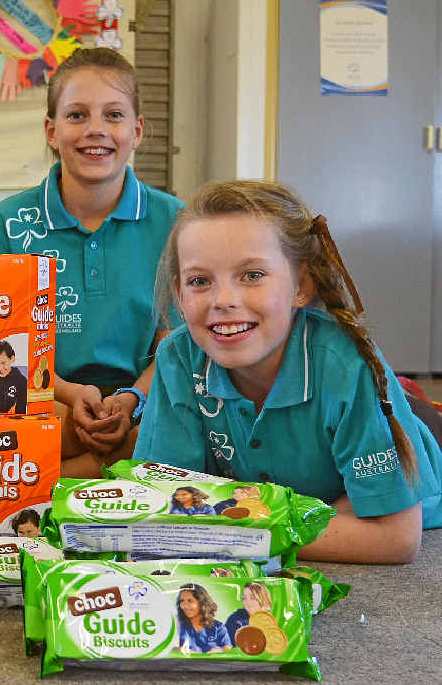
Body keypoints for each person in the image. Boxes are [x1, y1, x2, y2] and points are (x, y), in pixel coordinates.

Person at [134, 180, 442, 564]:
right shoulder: (178, 357)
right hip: (320, 492)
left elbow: (395, 538)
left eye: (252, 275)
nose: (224, 300)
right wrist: (307, 517)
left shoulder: (346, 366)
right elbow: (163, 506)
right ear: (179, 294)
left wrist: (236, 532)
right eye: (200, 281)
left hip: (419, 440)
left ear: (302, 285)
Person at [0, 47, 184, 476]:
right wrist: (71, 396)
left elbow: (176, 343)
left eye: (113, 115)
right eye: (77, 116)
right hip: (43, 400)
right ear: (51, 131)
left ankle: (78, 472)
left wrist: (131, 401)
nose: (96, 130)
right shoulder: (9, 222)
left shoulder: (175, 220)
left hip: (146, 401)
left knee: (173, 431)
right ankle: (100, 466)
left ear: (138, 130)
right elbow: (1, 353)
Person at [175, 583, 232, 654]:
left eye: (190, 601)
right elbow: (169, 647)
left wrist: (217, 651)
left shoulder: (218, 627)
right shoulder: (177, 624)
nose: (184, 606)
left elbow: (227, 650)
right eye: (182, 601)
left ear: (202, 603)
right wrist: (179, 650)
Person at [224, 582, 273, 647]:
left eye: (252, 598)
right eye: (244, 598)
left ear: (263, 598)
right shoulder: (235, 621)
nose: (247, 602)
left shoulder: (272, 619)